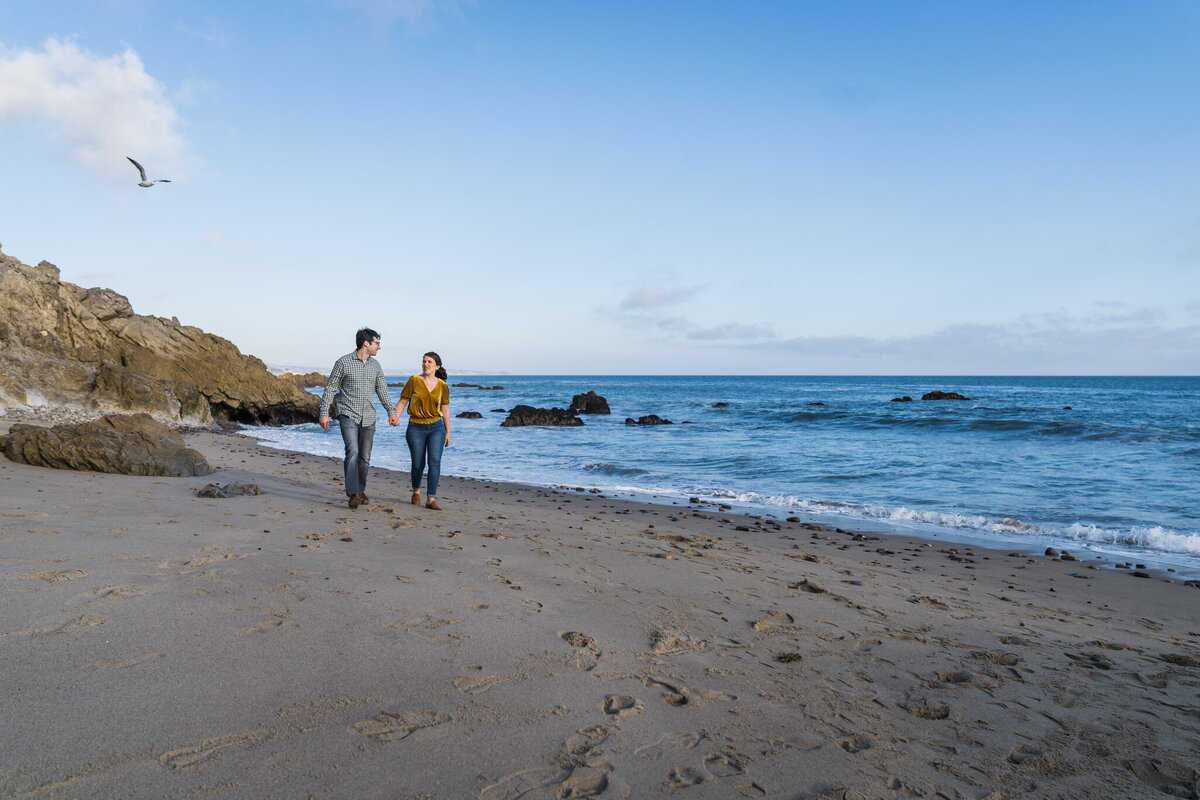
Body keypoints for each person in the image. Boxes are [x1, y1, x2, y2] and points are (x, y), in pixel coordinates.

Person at [318, 328, 399, 509]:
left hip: (369, 417)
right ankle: (353, 493)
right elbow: (330, 388)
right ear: (366, 343)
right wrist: (324, 412)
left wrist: (391, 413)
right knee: (352, 451)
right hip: (348, 414)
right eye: (377, 343)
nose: (379, 347)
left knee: (365, 458)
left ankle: (360, 489)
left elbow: (382, 390)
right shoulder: (343, 363)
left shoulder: (375, 366)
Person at [395, 352, 450, 510]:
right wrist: (396, 417)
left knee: (434, 462)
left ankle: (431, 499)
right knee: (418, 464)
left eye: (429, 362)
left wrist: (448, 432)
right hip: (415, 427)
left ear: (436, 366)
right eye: (424, 361)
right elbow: (403, 401)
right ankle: (416, 490)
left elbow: (445, 411)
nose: (425, 364)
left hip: (436, 428)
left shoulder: (443, 386)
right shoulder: (414, 380)